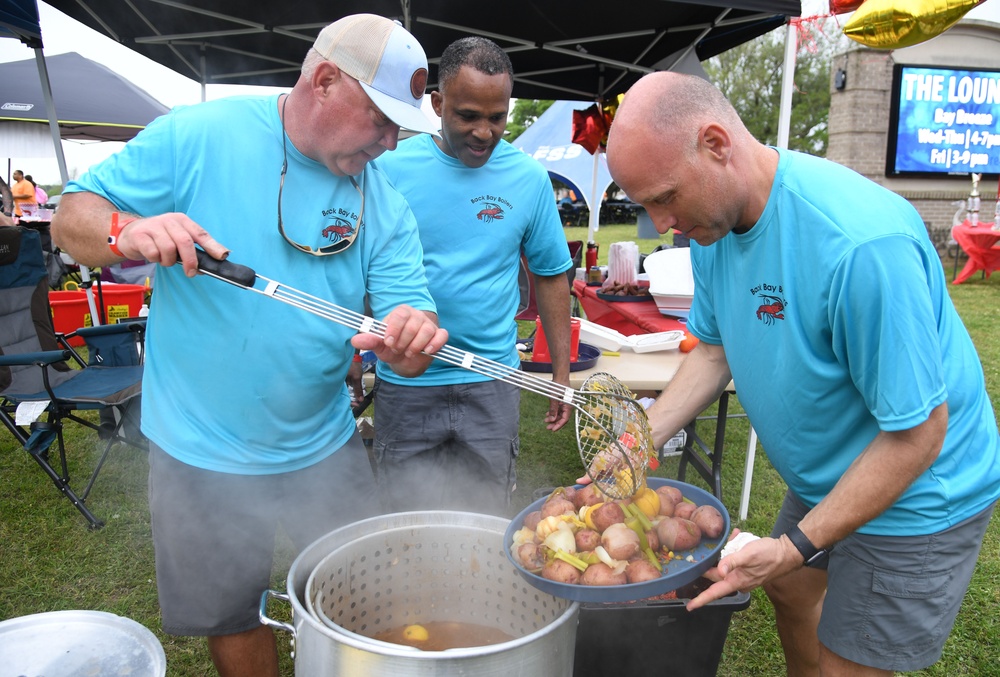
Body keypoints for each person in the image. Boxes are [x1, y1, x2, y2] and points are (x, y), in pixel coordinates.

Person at [51, 14, 447, 677]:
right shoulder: (200, 135)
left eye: (399, 127)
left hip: (321, 438)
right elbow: (71, 218)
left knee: (365, 593)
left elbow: (409, 306)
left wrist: (411, 336)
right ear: (324, 80)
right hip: (200, 444)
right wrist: (128, 229)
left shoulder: (382, 196)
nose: (390, 140)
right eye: (380, 119)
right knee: (233, 612)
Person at [605, 72, 1000, 676]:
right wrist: (637, 441)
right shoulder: (712, 226)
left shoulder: (860, 247)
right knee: (790, 591)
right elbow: (713, 352)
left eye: (665, 198)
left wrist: (796, 545)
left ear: (716, 144)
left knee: (847, 661)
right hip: (830, 471)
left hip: (918, 490)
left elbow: (919, 434)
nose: (662, 225)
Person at [371, 36, 574, 516]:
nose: (485, 132)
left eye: (497, 117)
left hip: (491, 382)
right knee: (404, 518)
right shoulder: (388, 169)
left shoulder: (528, 179)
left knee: (485, 518)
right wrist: (351, 357)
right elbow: (364, 269)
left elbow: (550, 276)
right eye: (468, 116)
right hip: (406, 382)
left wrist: (561, 375)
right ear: (437, 104)